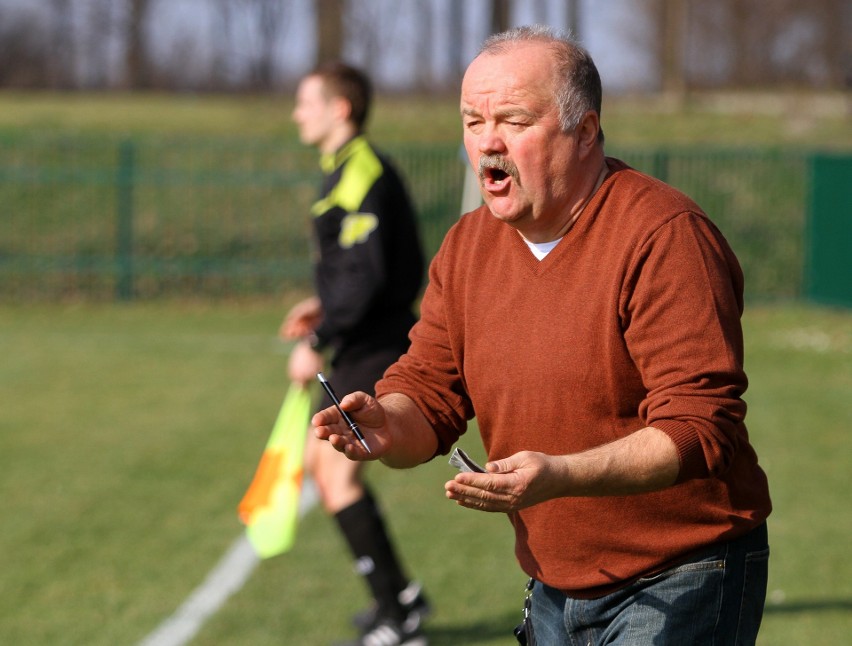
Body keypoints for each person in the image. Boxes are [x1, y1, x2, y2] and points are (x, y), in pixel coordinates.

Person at [312, 26, 772, 646]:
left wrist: (560, 474)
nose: (487, 144)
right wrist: (388, 424)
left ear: (584, 131)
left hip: (683, 570)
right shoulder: (467, 246)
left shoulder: (665, 236)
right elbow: (429, 390)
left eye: (515, 122)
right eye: (473, 122)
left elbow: (698, 427)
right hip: (554, 580)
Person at [279, 61, 429, 646]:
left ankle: (398, 618)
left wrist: (319, 340)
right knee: (329, 470)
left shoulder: (363, 170)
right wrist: (323, 307)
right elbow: (357, 270)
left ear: (340, 108)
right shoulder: (341, 169)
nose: (297, 113)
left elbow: (369, 277)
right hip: (360, 339)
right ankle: (399, 596)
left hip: (377, 347)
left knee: (337, 477)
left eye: (305, 102)